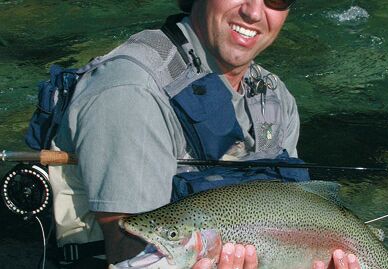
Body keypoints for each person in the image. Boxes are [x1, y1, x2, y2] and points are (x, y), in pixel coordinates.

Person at [48, 0, 362, 268]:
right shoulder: (131, 91)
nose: (254, 12)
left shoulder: (274, 96)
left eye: (276, 0)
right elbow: (128, 252)